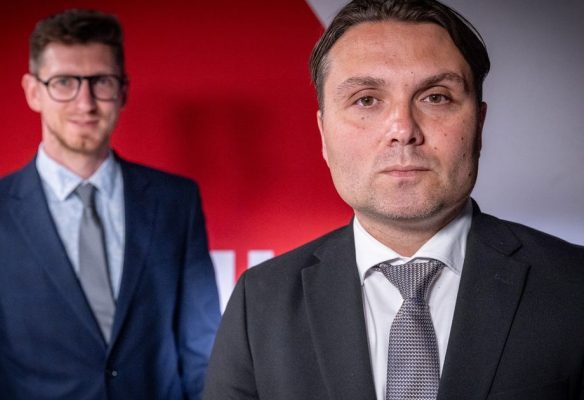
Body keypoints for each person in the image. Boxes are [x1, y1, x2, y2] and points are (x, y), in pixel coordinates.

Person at [203, 0, 584, 399]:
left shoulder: (575, 287)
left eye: (436, 97)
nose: (403, 129)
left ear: (479, 125)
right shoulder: (259, 301)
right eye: (366, 100)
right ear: (323, 134)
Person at [0, 9, 220, 400]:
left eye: (101, 82)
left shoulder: (176, 201)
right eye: (64, 82)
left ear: (123, 91)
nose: (85, 103)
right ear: (33, 91)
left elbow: (202, 351)